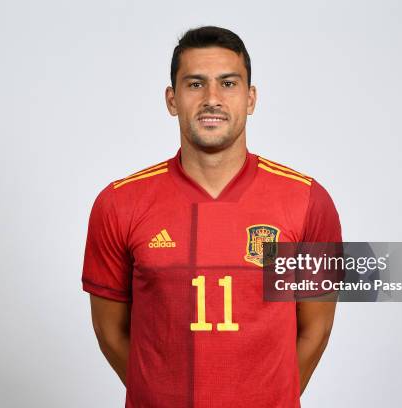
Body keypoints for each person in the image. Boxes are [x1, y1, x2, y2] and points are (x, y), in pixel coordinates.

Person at [82, 26, 342, 408]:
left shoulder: (307, 201)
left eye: (229, 83)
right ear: (172, 100)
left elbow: (315, 330)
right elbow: (110, 332)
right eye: (195, 85)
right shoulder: (119, 203)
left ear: (250, 98)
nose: (212, 99)